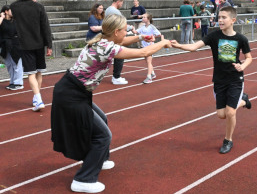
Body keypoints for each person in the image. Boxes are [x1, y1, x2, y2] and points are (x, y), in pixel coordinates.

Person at [51, 14, 171, 194]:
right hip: (71, 95)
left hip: (75, 91)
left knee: (102, 120)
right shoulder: (107, 47)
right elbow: (144, 52)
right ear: (116, 32)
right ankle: (84, 179)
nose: (126, 33)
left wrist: (140, 37)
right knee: (103, 136)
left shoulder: (102, 40)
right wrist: (164, 42)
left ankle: (100, 158)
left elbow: (123, 42)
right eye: (125, 30)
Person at [171, 6, 252, 154]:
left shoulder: (241, 39)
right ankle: (244, 101)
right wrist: (179, 45)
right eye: (219, 17)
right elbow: (194, 47)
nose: (220, 20)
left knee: (230, 112)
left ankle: (228, 140)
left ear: (233, 20)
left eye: (223, 17)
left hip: (235, 79)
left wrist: (243, 66)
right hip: (219, 80)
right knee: (221, 115)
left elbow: (249, 58)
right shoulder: (213, 36)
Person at [10, 0, 52, 111]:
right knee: (38, 71)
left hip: (25, 43)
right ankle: (37, 98)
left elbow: (12, 15)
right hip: (39, 43)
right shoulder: (39, 7)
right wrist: (49, 45)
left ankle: (37, 98)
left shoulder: (14, 6)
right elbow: (45, 27)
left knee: (31, 73)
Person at [105, 0, 130, 85]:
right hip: (115, 36)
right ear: (118, 2)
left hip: (109, 35)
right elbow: (121, 24)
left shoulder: (108, 9)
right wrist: (130, 28)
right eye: (122, 3)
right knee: (119, 55)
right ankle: (116, 77)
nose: (122, 5)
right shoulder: (115, 11)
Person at [0, 5, 23, 90]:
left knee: (16, 63)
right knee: (9, 65)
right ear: (6, 11)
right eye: (11, 10)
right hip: (5, 45)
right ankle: (12, 82)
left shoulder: (15, 20)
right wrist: (1, 17)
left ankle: (19, 83)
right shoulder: (2, 20)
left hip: (15, 44)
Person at [133, 14, 161, 84]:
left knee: (148, 61)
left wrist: (152, 37)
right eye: (142, 17)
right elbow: (136, 32)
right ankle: (153, 73)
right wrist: (132, 28)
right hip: (144, 47)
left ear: (148, 19)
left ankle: (149, 77)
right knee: (148, 61)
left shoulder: (152, 27)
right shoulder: (142, 27)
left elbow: (159, 34)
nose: (142, 18)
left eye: (144, 17)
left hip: (150, 46)